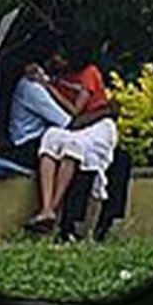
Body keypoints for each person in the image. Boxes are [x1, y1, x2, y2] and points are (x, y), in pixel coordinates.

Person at [24, 45, 118, 234]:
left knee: (73, 146)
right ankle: (46, 209)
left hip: (96, 127)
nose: (57, 59)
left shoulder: (89, 73)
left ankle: (53, 208)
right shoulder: (58, 76)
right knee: (50, 137)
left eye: (61, 56)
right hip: (75, 126)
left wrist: (47, 85)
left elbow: (75, 112)